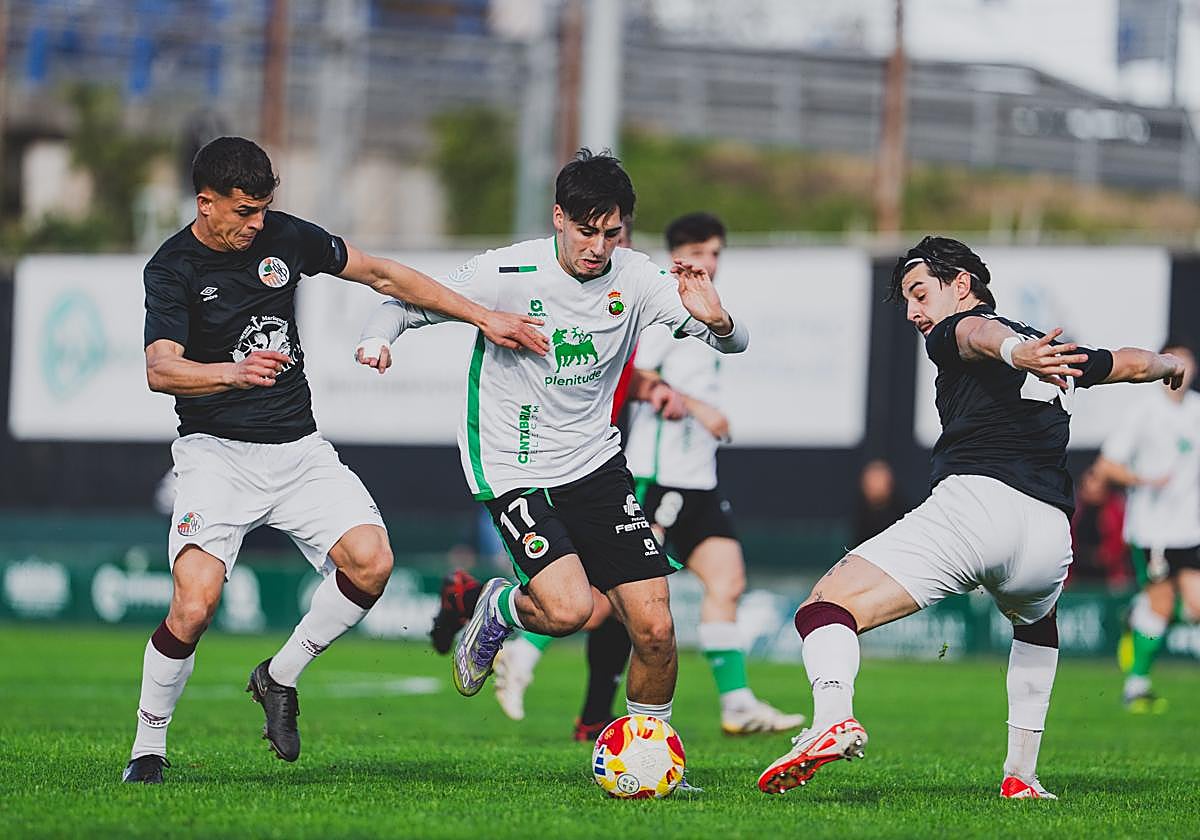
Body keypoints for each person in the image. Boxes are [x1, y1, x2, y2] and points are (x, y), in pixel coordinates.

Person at [123, 136, 545, 784]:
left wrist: (481, 316)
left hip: (298, 452)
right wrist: (230, 374)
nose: (257, 224)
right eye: (243, 212)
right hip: (216, 457)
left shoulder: (284, 238)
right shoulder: (172, 267)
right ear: (205, 203)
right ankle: (147, 748)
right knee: (194, 604)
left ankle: (278, 677)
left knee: (373, 562)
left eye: (265, 209)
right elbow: (160, 368)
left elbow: (384, 274)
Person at [356, 150, 749, 787]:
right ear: (559, 218)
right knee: (566, 612)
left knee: (655, 626)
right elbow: (401, 299)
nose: (598, 247)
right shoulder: (506, 270)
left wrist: (720, 319)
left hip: (594, 463)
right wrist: (380, 338)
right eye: (586, 230)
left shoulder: (640, 279)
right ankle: (500, 608)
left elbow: (732, 342)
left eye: (611, 232)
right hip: (512, 466)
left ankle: (649, 754)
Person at [756, 235, 1185, 799]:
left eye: (919, 293)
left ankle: (833, 715)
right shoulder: (1048, 347)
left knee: (824, 608)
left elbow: (977, 332)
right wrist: (1168, 364)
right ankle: (1022, 776)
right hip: (1049, 536)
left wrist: (1013, 352)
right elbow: (1127, 364)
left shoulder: (962, 330)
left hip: (979, 509)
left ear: (961, 284)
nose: (914, 312)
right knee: (1036, 625)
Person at [492, 211, 803, 735]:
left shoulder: (707, 310)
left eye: (716, 254)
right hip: (656, 477)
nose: (709, 263)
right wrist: (695, 407)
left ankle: (736, 703)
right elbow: (640, 368)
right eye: (700, 253)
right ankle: (522, 651)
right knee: (603, 600)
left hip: (698, 479)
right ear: (680, 253)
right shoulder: (661, 302)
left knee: (727, 582)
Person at [1093, 338, 1200, 712]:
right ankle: (1136, 686)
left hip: (1190, 530)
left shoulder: (1197, 412)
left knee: (1195, 606)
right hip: (1154, 530)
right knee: (1162, 603)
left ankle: (1136, 617)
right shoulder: (1144, 412)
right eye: (1176, 362)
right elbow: (1107, 465)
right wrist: (1143, 480)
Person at [852, 459, 908, 546]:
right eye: (871, 480)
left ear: (889, 483)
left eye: (878, 479)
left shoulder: (903, 517)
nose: (875, 485)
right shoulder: (858, 517)